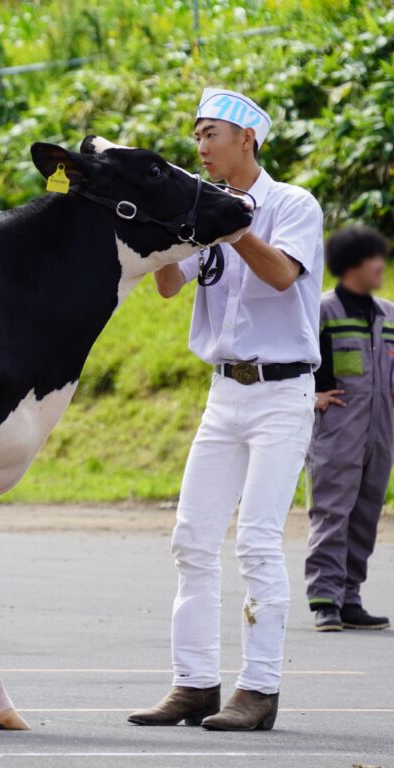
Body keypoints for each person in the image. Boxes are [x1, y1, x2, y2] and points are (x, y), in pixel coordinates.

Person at [127, 87, 324, 731]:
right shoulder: (202, 210)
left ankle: (259, 691)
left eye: (210, 133)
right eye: (196, 135)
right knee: (192, 539)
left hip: (281, 393)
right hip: (224, 393)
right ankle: (194, 684)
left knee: (259, 543)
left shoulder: (292, 205)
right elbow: (166, 284)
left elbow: (281, 276)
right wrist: (163, 228)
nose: (200, 146)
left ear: (247, 139)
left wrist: (229, 225)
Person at [305, 225, 392, 632]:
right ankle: (325, 599)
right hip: (338, 428)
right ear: (352, 265)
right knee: (332, 510)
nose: (381, 264)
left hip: (381, 429)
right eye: (374, 257)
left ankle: (350, 596)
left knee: (366, 511)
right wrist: (312, 396)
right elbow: (298, 360)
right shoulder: (322, 310)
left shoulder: (389, 314)